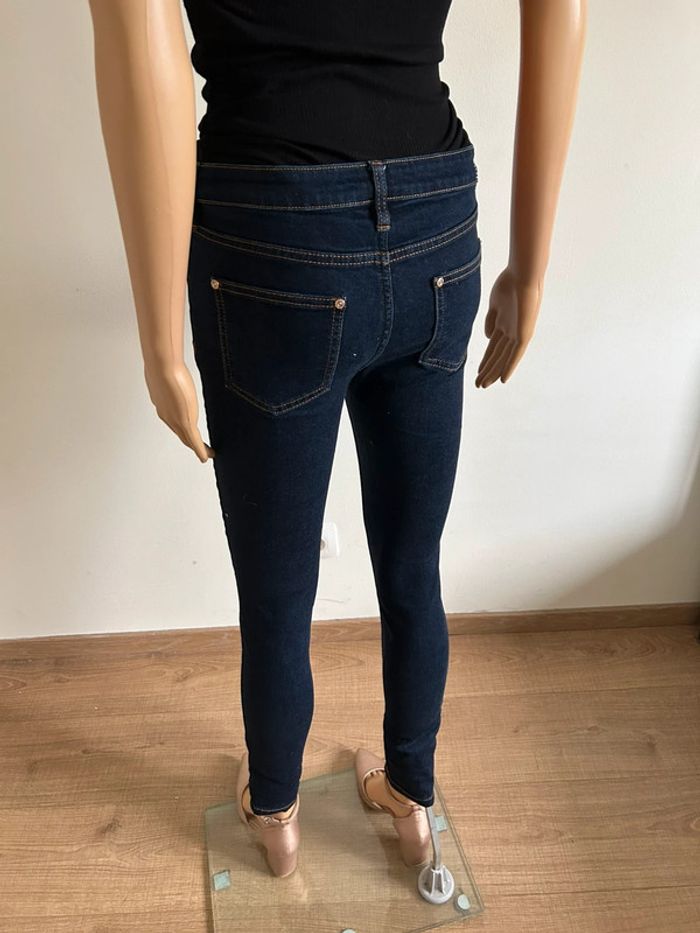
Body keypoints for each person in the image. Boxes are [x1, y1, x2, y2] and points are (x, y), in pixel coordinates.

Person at [87, 0, 587, 878]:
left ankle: (276, 811)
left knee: (277, 586)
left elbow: (136, 29)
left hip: (270, 230)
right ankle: (411, 798)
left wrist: (161, 339)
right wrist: (531, 266)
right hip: (437, 220)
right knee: (413, 560)